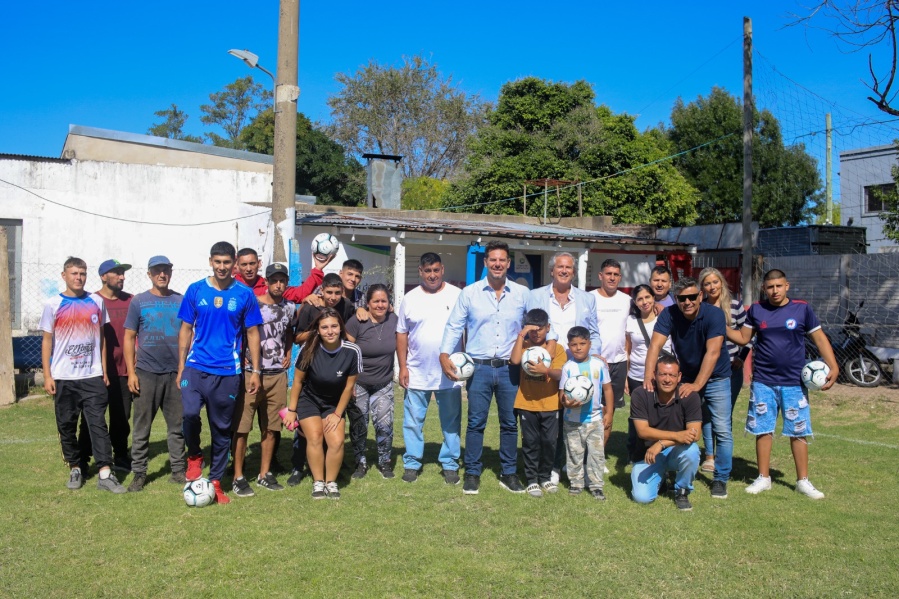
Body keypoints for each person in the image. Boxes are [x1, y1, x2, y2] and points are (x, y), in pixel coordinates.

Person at [727, 269, 839, 500]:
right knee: (763, 429)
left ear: (787, 286)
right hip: (763, 381)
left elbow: (819, 338)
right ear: (764, 289)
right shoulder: (757, 309)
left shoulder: (802, 309)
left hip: (794, 382)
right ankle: (763, 478)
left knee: (798, 431)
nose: (775, 291)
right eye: (770, 287)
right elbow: (743, 338)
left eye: (779, 286)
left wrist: (834, 366)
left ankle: (803, 481)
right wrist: (720, 325)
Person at [440, 240, 530, 495]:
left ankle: (509, 473)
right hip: (478, 369)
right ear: (486, 262)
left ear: (508, 263)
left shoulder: (523, 294)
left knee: (510, 423)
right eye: (493, 260)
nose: (497, 264)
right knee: (476, 423)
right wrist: (444, 354)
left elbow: (536, 324)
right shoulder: (470, 293)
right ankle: (472, 473)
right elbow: (454, 326)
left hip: (510, 369)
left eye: (502, 260)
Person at [177, 241, 263, 505]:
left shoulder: (245, 294)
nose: (222, 267)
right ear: (210, 262)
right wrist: (181, 366)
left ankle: (215, 481)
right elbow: (185, 329)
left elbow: (253, 333)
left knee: (221, 428)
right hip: (196, 366)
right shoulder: (195, 290)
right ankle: (194, 455)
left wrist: (256, 370)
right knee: (190, 414)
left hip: (228, 372)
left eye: (227, 262)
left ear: (234, 264)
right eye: (218, 262)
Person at [40, 257, 126, 493]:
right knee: (66, 425)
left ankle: (105, 473)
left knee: (97, 424)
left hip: (92, 376)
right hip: (64, 377)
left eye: (83, 273)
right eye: (74, 273)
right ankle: (76, 467)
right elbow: (46, 341)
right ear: (64, 276)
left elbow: (102, 339)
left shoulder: (96, 301)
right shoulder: (53, 304)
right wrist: (47, 375)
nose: (79, 278)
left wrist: (103, 370)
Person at [644, 277, 733, 499]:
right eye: (682, 298)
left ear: (700, 296)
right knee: (676, 424)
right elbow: (655, 344)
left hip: (717, 377)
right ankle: (670, 470)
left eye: (692, 297)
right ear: (676, 299)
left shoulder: (714, 315)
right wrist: (648, 376)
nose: (687, 302)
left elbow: (713, 352)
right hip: (686, 376)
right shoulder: (669, 314)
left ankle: (720, 479)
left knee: (722, 428)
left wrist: (697, 385)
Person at [526, 251, 600, 485]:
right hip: (547, 366)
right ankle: (551, 466)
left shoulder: (586, 299)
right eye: (560, 267)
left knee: (575, 415)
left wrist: (595, 355)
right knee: (552, 418)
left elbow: (594, 332)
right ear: (552, 271)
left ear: (574, 272)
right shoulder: (535, 296)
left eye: (568, 267)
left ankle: (573, 461)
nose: (564, 271)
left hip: (576, 367)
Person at [231, 263, 297, 497]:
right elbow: (239, 332)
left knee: (271, 427)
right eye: (274, 280)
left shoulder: (290, 307)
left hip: (277, 375)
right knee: (242, 428)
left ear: (286, 282)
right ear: (266, 281)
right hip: (251, 374)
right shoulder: (253, 303)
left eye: (282, 280)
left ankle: (264, 474)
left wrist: (288, 351)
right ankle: (238, 476)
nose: (278, 284)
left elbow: (289, 331)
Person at [397, 253, 463, 484]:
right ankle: (412, 462)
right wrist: (403, 366)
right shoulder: (410, 298)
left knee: (451, 422)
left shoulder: (457, 295)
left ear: (442, 269)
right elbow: (402, 333)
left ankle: (450, 463)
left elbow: (467, 328)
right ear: (420, 272)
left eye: (436, 270)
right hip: (417, 371)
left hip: (450, 373)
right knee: (413, 421)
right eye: (427, 271)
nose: (432, 275)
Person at [283, 308, 362, 499]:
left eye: (334, 326)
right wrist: (292, 410)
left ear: (341, 327)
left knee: (337, 441)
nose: (330, 331)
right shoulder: (308, 348)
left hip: (334, 403)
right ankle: (318, 482)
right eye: (325, 327)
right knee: (315, 437)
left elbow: (348, 387)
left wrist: (337, 414)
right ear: (318, 330)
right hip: (309, 400)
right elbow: (298, 381)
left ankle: (330, 482)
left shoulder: (352, 351)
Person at [122, 255, 186, 492]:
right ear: (149, 274)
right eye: (157, 271)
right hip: (146, 373)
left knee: (177, 427)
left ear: (171, 272)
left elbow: (189, 333)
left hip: (175, 373)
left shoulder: (181, 300)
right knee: (141, 428)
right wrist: (131, 373)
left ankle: (178, 470)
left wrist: (183, 368)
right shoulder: (139, 301)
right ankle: (139, 473)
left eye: (166, 270)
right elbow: (129, 337)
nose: (162, 274)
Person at [287, 272, 354, 486]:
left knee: (332, 433)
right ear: (321, 290)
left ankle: (332, 469)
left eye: (337, 293)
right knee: (307, 433)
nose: (333, 297)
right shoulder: (310, 306)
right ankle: (298, 467)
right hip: (311, 373)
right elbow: (297, 337)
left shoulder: (347, 306)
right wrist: (320, 333)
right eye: (329, 292)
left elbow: (350, 331)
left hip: (335, 377)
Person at [630, 355, 702, 511]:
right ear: (654, 375)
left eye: (672, 375)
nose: (667, 380)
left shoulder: (690, 396)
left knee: (692, 450)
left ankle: (682, 491)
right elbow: (642, 431)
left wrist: (661, 444)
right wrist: (676, 436)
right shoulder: (640, 394)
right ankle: (661, 478)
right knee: (641, 498)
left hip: (675, 450)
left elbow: (695, 434)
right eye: (663, 374)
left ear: (679, 377)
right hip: (648, 454)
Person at [698, 267, 751, 473]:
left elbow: (749, 336)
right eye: (707, 283)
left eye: (715, 282)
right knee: (706, 413)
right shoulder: (700, 307)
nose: (712, 287)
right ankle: (709, 456)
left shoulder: (735, 306)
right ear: (702, 287)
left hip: (731, 370)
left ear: (722, 283)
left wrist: (741, 358)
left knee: (723, 415)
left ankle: (722, 457)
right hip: (707, 370)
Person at [510, 309, 566, 497]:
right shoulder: (524, 346)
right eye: (532, 330)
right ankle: (532, 479)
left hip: (551, 404)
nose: (536, 334)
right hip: (527, 403)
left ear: (548, 328)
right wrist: (522, 334)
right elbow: (515, 360)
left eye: (539, 329)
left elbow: (560, 374)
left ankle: (545, 477)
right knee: (531, 442)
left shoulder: (557, 349)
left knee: (550, 442)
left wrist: (545, 370)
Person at [346, 284, 399, 479]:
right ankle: (360, 462)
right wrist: (349, 383)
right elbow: (346, 352)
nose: (380, 305)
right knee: (359, 425)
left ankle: (385, 462)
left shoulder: (394, 320)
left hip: (383, 383)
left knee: (385, 424)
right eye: (376, 301)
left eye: (384, 301)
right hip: (358, 382)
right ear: (368, 303)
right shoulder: (357, 321)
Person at [558, 326, 614, 500]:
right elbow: (562, 394)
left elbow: (608, 389)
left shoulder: (599, 365)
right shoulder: (568, 367)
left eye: (582, 343)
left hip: (595, 419)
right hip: (572, 420)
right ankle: (576, 483)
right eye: (574, 344)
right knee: (574, 453)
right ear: (569, 346)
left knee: (596, 454)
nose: (578, 348)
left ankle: (596, 485)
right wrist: (566, 402)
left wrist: (609, 413)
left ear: (590, 344)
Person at [624, 284, 673, 459]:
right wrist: (625, 378)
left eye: (647, 297)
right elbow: (628, 350)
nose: (644, 302)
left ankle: (662, 453)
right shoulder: (630, 321)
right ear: (635, 302)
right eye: (640, 299)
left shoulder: (665, 317)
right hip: (637, 375)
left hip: (663, 375)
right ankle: (636, 454)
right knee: (638, 416)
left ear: (653, 298)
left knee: (663, 413)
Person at [95, 258, 134, 473]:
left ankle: (120, 455)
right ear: (103, 276)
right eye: (117, 273)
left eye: (123, 273)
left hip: (124, 370)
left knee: (121, 416)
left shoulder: (131, 301)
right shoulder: (93, 301)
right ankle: (90, 457)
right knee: (95, 417)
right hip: (97, 370)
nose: (122, 277)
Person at [591, 258, 631, 458]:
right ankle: (581, 455)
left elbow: (630, 333)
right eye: (608, 274)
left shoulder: (627, 301)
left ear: (620, 277)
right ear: (601, 276)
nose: (612, 278)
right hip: (593, 364)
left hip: (618, 364)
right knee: (588, 412)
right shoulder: (589, 298)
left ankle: (598, 457)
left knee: (609, 412)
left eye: (616, 274)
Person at [234, 247, 335, 303]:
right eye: (244, 264)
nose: (248, 269)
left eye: (252, 263)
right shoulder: (230, 287)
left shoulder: (270, 285)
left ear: (259, 263)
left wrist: (318, 269)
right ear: (237, 265)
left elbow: (299, 294)